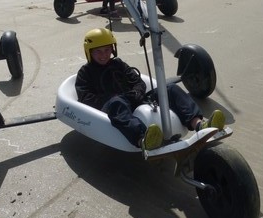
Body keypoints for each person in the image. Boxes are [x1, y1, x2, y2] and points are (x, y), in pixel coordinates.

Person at [75, 28, 225, 151]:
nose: (104, 55)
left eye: (107, 50)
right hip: (111, 108)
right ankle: (143, 139)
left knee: (170, 89)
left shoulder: (118, 64)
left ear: (112, 49)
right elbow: (85, 98)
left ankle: (198, 124)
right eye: (98, 51)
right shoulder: (85, 73)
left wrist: (137, 92)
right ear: (89, 52)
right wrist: (113, 98)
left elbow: (138, 81)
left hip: (134, 99)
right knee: (117, 102)